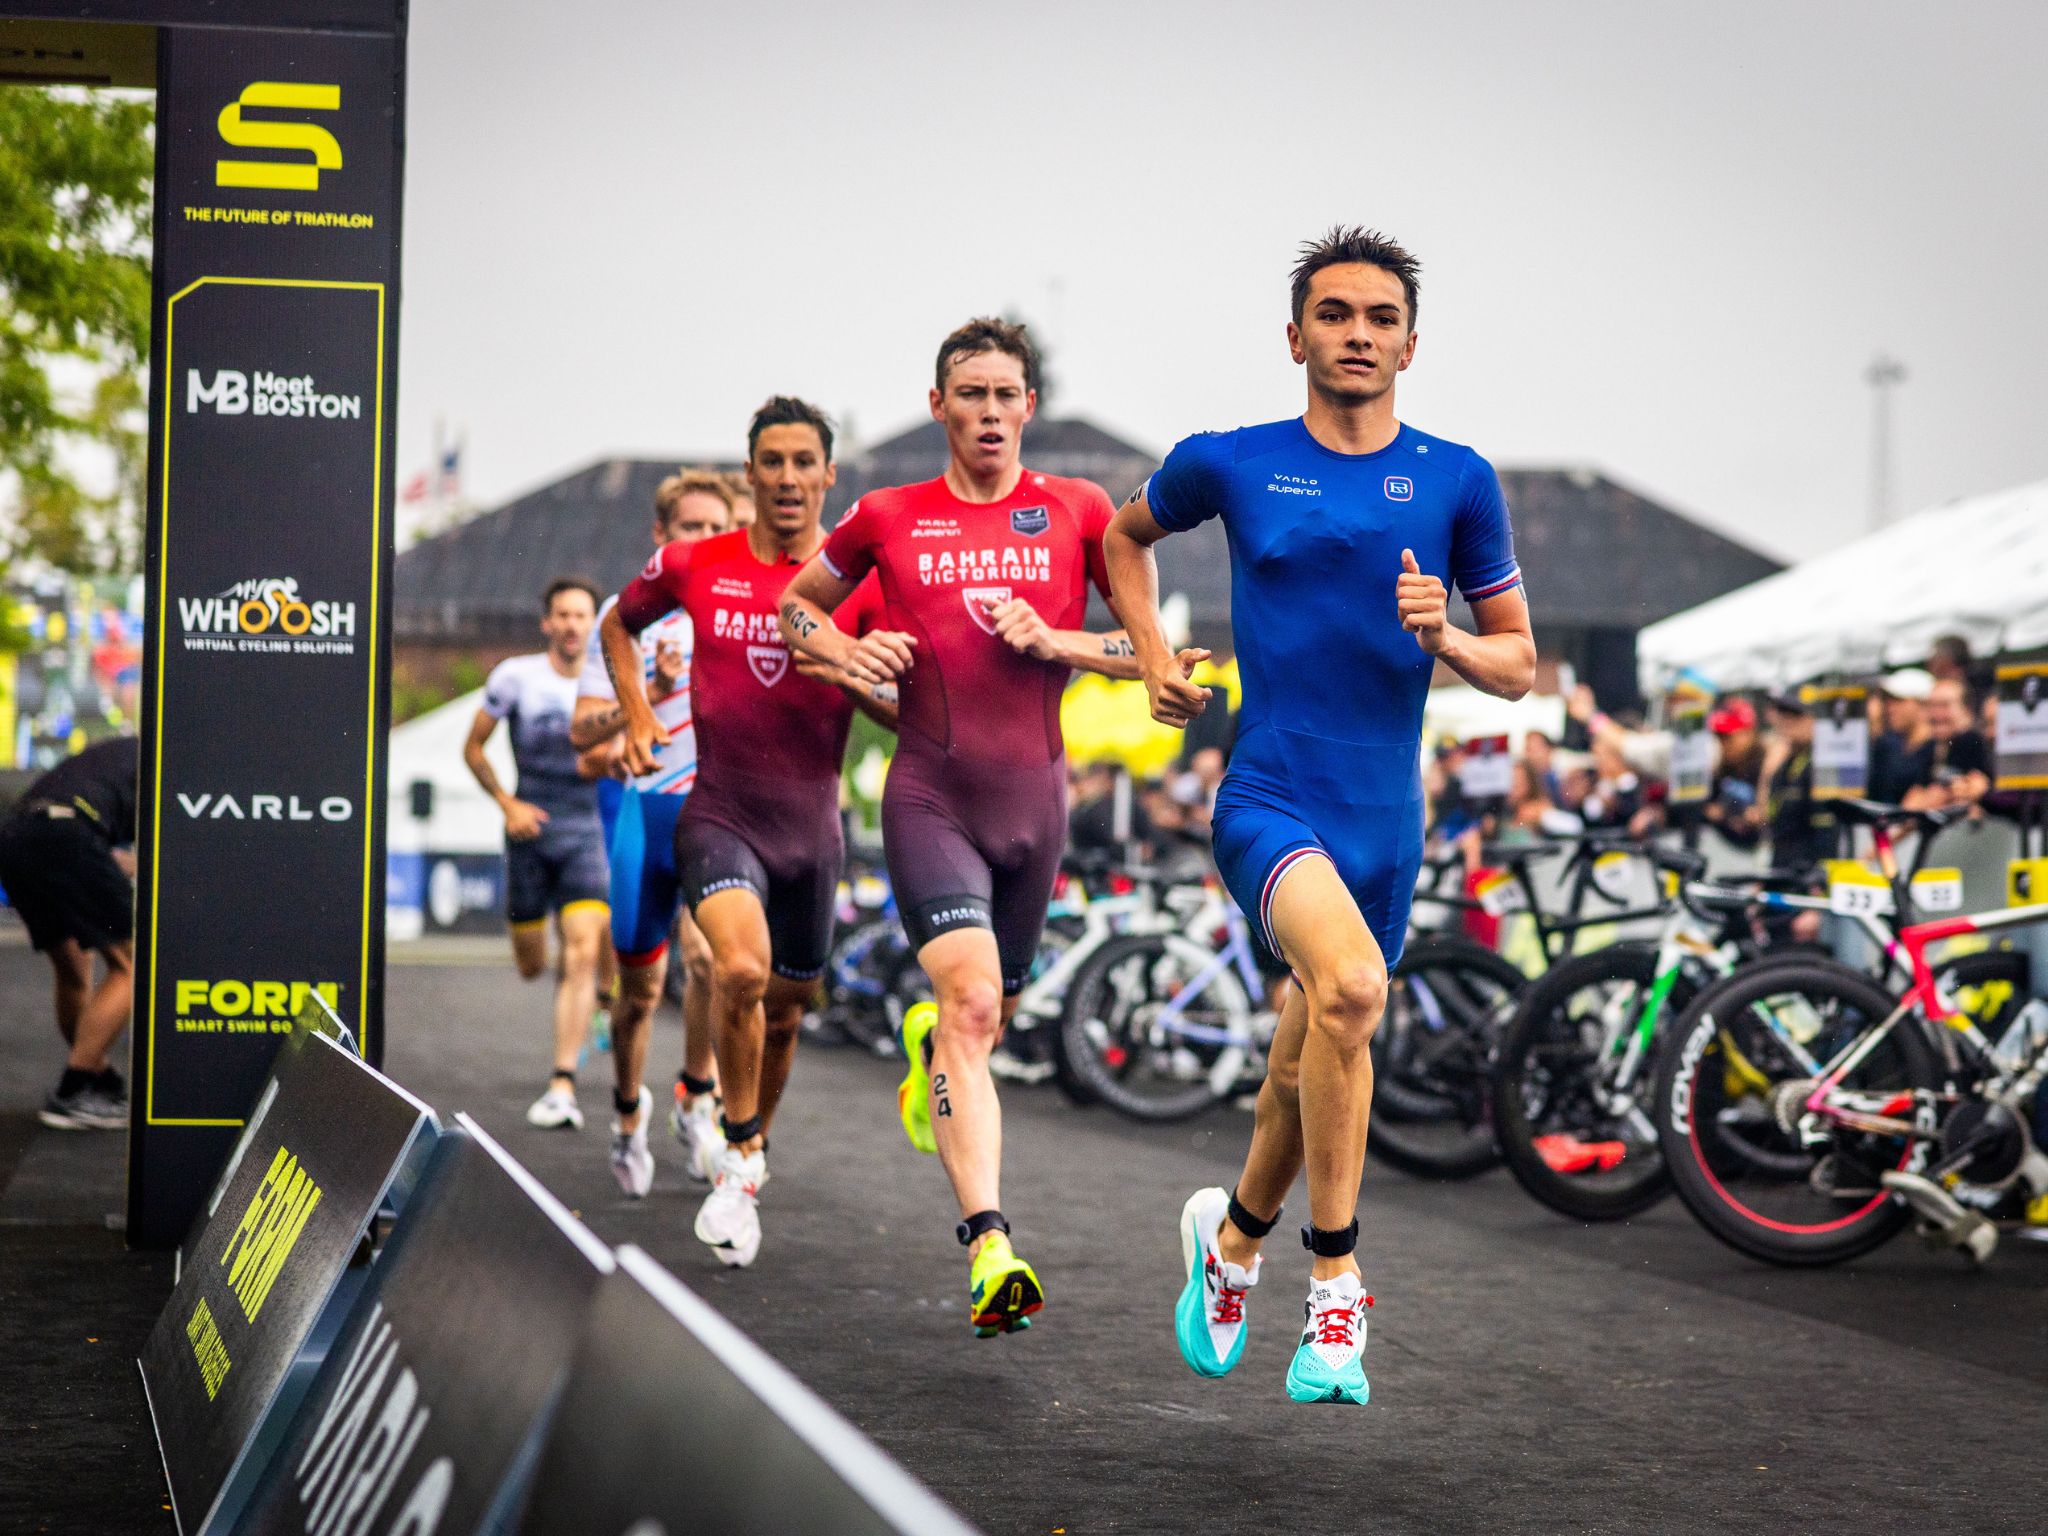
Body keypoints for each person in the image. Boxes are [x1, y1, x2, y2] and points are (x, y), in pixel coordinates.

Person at [1101, 228, 1533, 1405]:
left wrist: (1442, 633)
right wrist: (1147, 658)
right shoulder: (1231, 461)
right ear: (1294, 336)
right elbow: (1116, 533)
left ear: (1408, 340)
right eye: (1333, 314)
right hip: (1272, 789)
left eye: (1378, 316)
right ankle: (1333, 1289)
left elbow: (1520, 667)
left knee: (1312, 1049)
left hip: (1386, 816)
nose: (1356, 334)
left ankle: (1229, 1243)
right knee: (1347, 994)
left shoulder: (1457, 478)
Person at [778, 317, 1147, 1337]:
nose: (988, 412)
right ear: (938, 404)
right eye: (969, 394)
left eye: (1005, 395)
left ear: (1029, 406)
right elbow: (796, 611)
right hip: (929, 795)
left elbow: (1144, 649)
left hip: (1035, 805)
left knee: (991, 1013)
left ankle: (931, 1049)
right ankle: (990, 1247)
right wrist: (848, 657)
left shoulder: (1075, 510)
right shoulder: (887, 516)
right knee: (975, 1006)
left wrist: (1057, 637)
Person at [609, 397, 894, 1263]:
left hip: (813, 828)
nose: (787, 478)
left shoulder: (864, 585)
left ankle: (749, 1151)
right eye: (771, 461)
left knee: (789, 1011)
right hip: (720, 812)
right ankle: (735, 1156)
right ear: (750, 473)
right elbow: (622, 624)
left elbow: (907, 706)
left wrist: (844, 669)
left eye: (804, 461)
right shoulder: (699, 564)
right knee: (736, 967)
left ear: (827, 475)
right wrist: (633, 715)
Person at [571, 471, 732, 1191]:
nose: (703, 539)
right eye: (689, 527)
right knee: (639, 992)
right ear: (661, 537)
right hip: (648, 811)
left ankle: (697, 1096)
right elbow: (584, 734)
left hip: (722, 811)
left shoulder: (741, 604)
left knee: (715, 962)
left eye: (714, 527)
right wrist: (655, 694)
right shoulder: (625, 615)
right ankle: (628, 1115)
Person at [463, 580, 611, 1130]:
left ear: (595, 625)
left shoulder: (611, 686)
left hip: (584, 832)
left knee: (580, 955)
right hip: (528, 832)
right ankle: (583, 991)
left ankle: (563, 1081)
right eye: (563, 615)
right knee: (533, 965)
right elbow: (472, 747)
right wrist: (507, 804)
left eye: (582, 616)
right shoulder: (515, 677)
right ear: (547, 623)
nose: (573, 625)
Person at [0, 736, 137, 1128]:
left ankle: (96, 1078)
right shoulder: (164, 756)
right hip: (67, 837)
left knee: (75, 970)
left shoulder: (118, 753)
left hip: (18, 838)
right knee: (133, 965)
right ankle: (77, 1086)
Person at [1903, 676, 1994, 811]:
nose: (1936, 713)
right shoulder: (1928, 748)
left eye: (1944, 705)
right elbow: (1911, 801)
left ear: (1966, 709)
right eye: (1932, 705)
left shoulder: (1976, 743)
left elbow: (1976, 790)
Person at [1868, 668, 1934, 804]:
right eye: (1888, 701)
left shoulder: (1936, 749)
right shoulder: (1888, 746)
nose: (1890, 708)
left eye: (1899, 701)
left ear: (1922, 704)